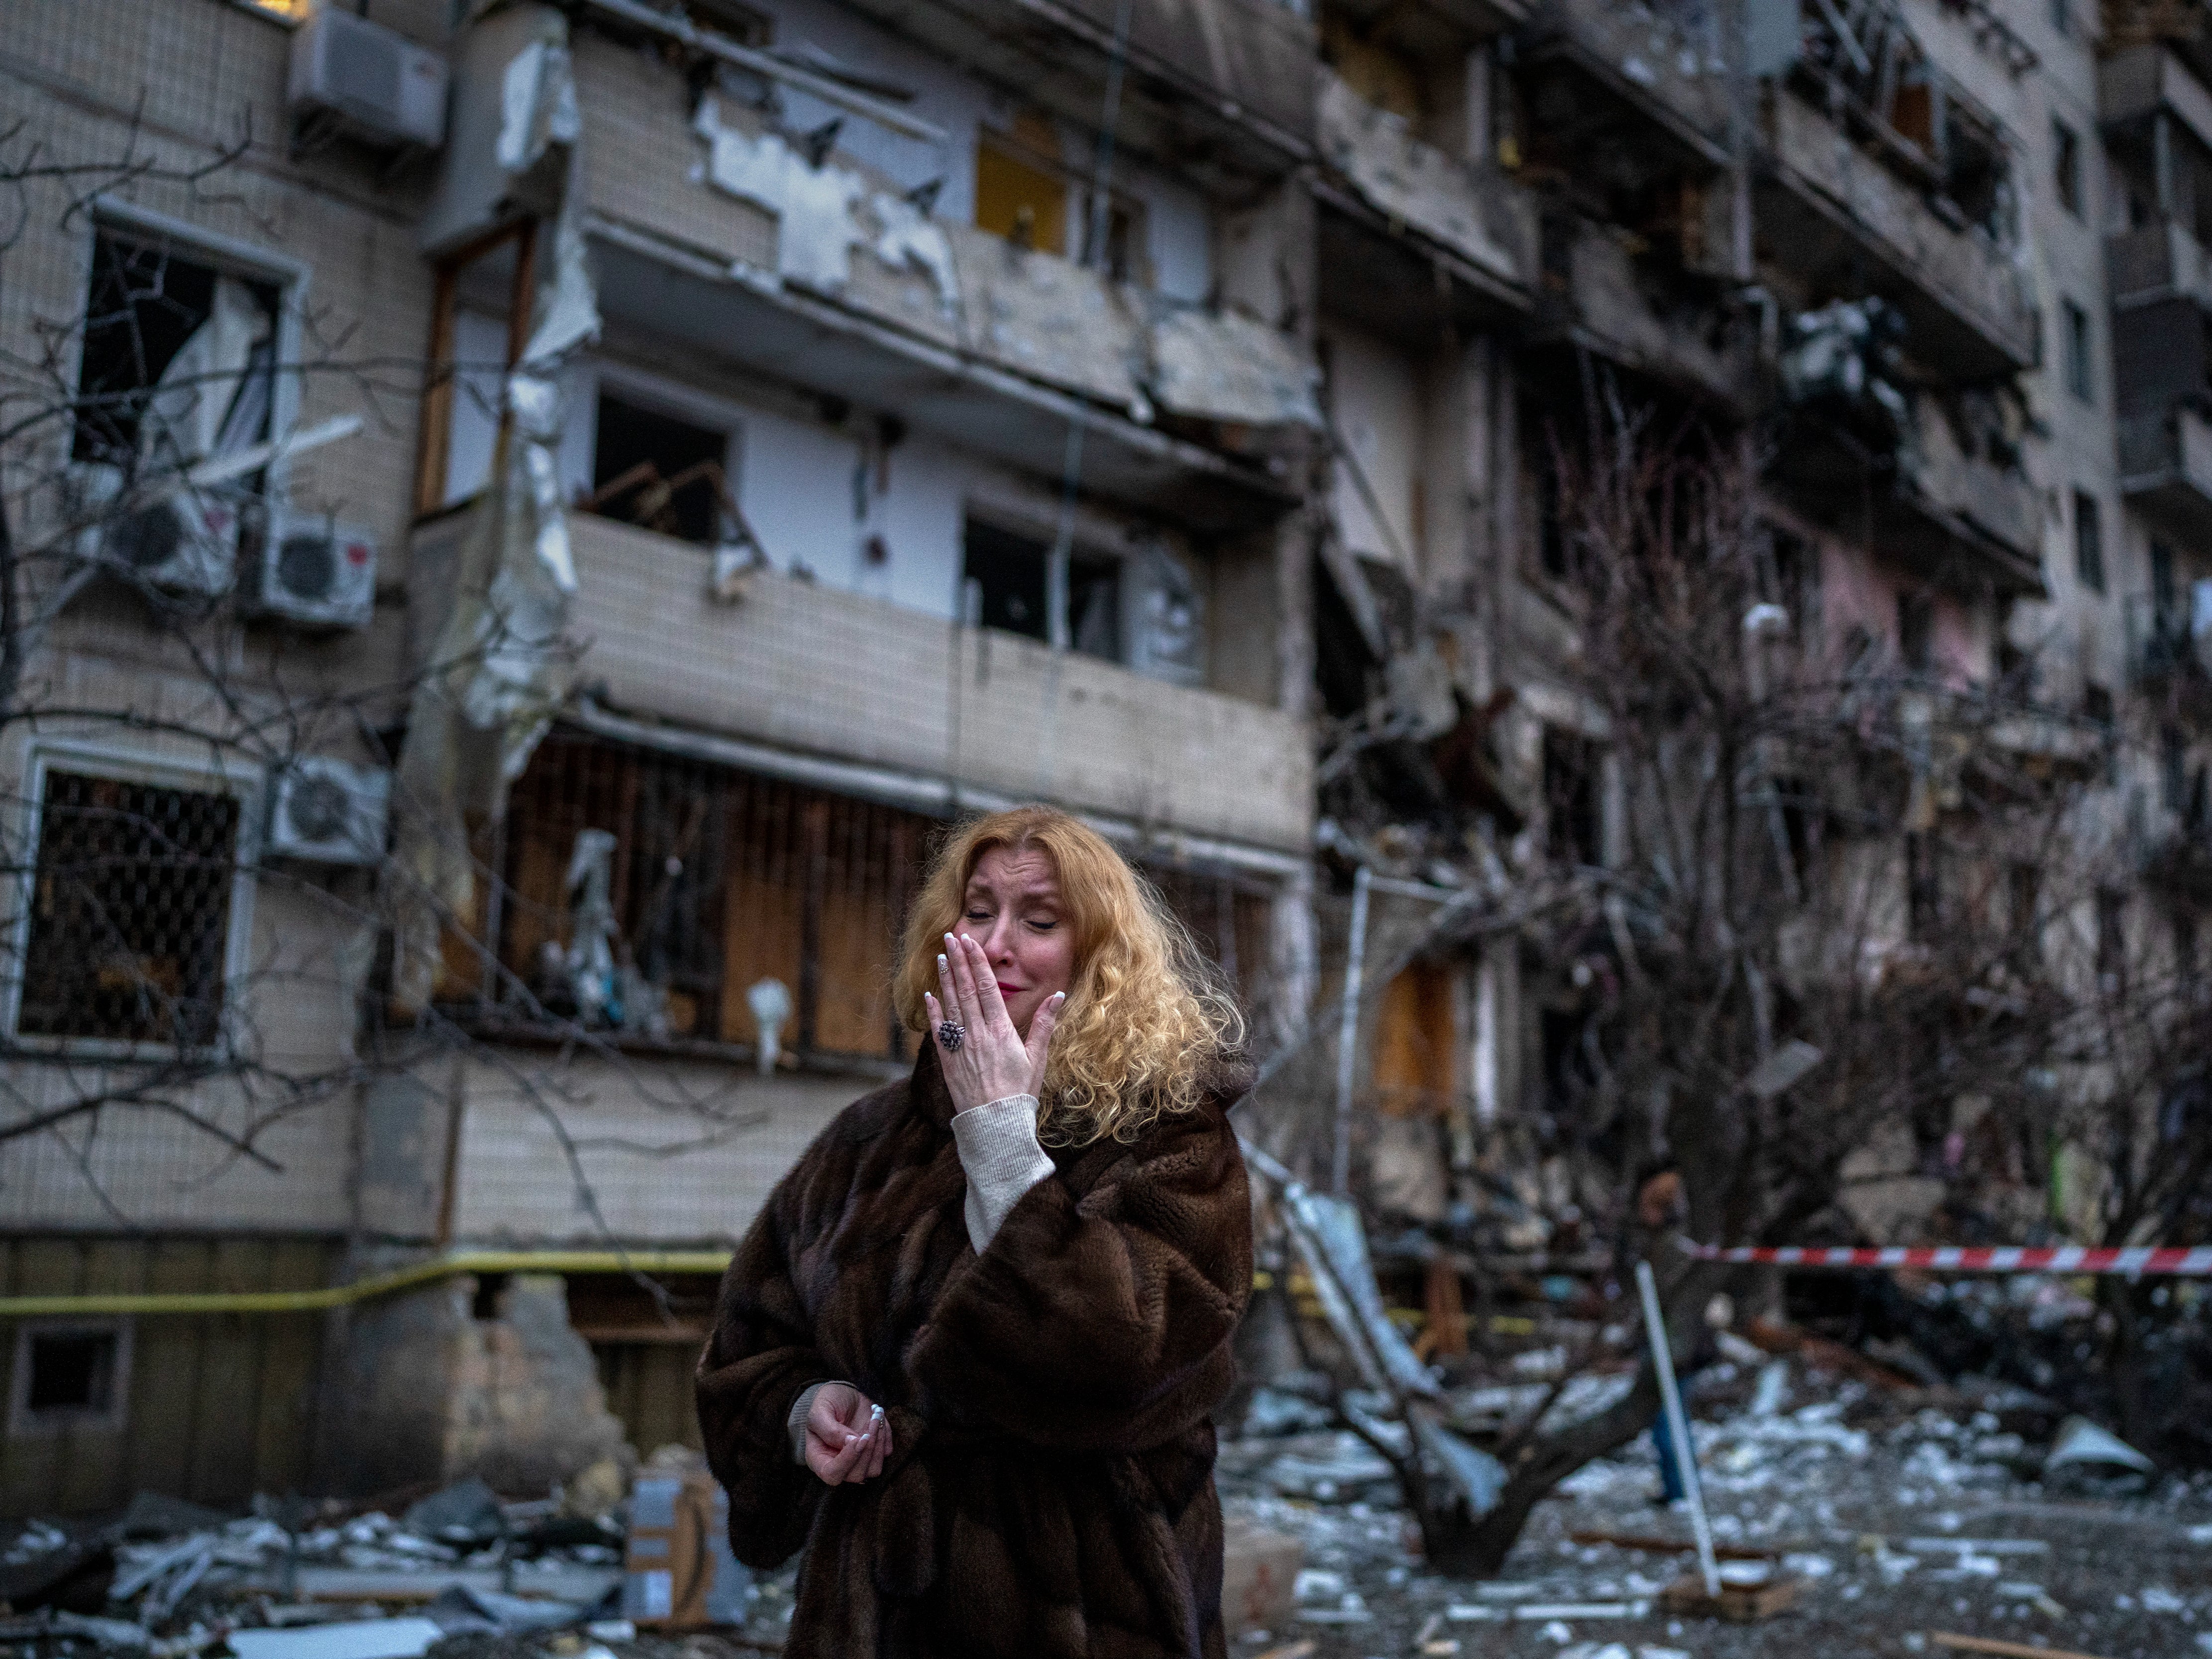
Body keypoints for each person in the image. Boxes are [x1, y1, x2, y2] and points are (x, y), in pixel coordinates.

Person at [696, 805, 1255, 1659]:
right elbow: (748, 1347)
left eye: (1038, 920)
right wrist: (807, 1411)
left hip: (1087, 1608)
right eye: (977, 909)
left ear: (1098, 954)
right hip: (875, 1616)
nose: (994, 943)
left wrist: (999, 1138)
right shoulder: (868, 1138)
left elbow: (1131, 1355)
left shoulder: (1172, 1134)